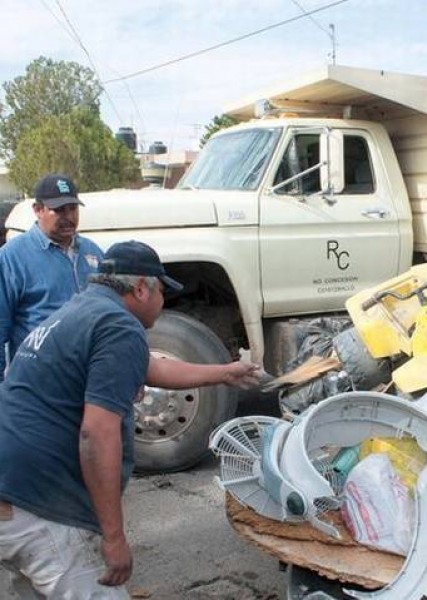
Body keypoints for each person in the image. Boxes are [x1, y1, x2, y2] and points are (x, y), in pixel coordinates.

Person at [0, 241, 193, 597]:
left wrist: (226, 371)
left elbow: (148, 366)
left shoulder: (80, 310)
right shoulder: (120, 326)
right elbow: (97, 434)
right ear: (140, 288)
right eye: (163, 292)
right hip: (40, 503)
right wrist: (114, 537)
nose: (163, 303)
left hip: (10, 494)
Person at [0, 173, 259, 387]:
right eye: (59, 210)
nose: (68, 217)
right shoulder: (12, 258)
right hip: (43, 379)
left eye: (72, 208)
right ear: (38, 209)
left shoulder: (92, 252)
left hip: (92, 374)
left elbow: (123, 319)